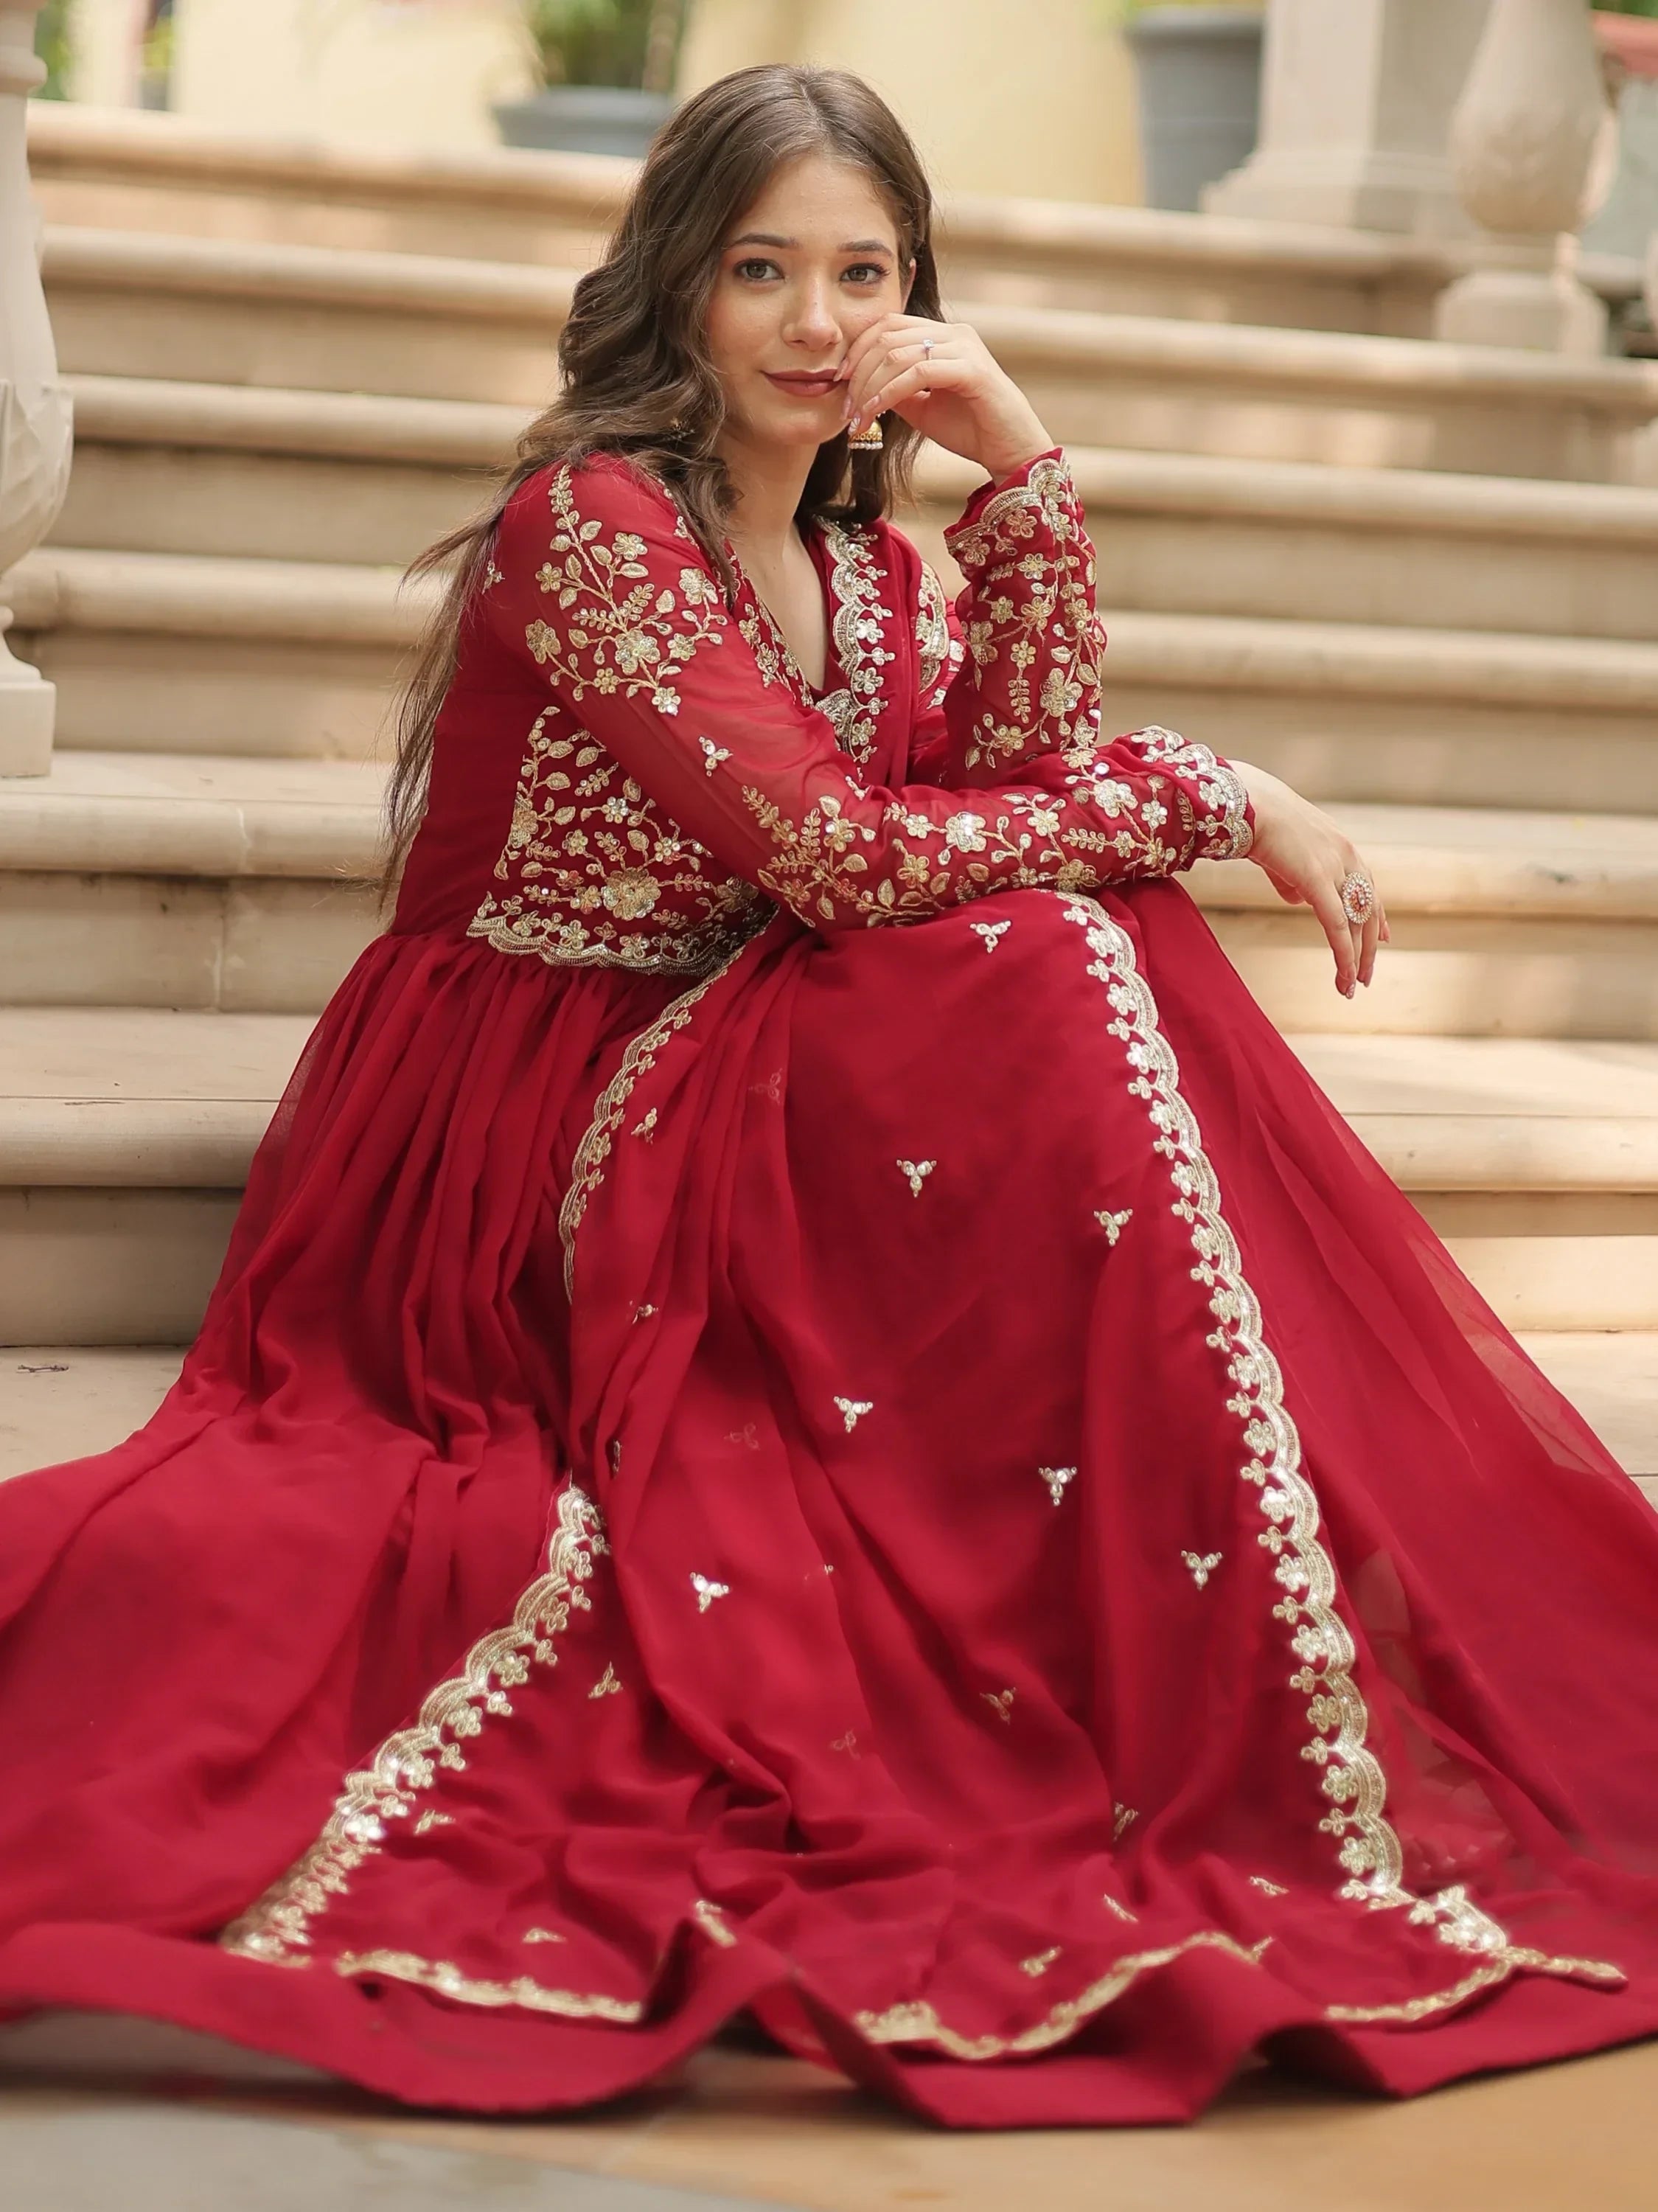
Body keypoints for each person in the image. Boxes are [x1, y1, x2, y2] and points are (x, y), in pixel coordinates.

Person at [0, 64, 1654, 2132]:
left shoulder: (869, 564)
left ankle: (1178, 1630)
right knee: (1055, 932)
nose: (812, 321)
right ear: (673, 287)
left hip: (726, 1050)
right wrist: (1217, 790)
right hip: (524, 1114)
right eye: (758, 269)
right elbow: (849, 860)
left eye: (861, 275)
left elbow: (1007, 779)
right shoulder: (594, 529)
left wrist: (1022, 470)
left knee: (1068, 932)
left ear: (916, 296)